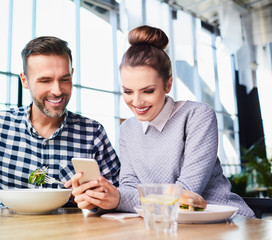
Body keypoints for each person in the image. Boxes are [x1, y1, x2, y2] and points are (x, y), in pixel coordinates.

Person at [71, 25, 255, 217]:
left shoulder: (197, 115)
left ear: (168, 84)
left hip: (224, 221)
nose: (136, 102)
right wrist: (100, 199)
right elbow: (129, 187)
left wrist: (120, 199)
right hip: (162, 223)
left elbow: (186, 194)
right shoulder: (128, 129)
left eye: (148, 91)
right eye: (127, 91)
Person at [0, 36, 120, 216]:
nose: (57, 90)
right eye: (45, 81)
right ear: (24, 81)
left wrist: (108, 199)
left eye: (65, 79)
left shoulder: (92, 133)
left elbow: (119, 194)